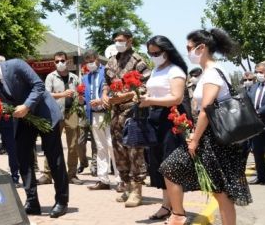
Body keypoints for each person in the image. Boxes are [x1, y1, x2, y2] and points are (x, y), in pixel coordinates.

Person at [160, 28, 252, 225]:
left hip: (215, 140)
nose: (188, 52)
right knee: (171, 168)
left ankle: (179, 215)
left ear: (202, 48)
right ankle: (178, 214)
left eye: (189, 47)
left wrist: (194, 139)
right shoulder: (208, 72)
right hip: (209, 138)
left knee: (221, 193)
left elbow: (206, 110)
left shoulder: (212, 74)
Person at [0, 56, 69, 218]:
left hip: (44, 114)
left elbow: (38, 86)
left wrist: (26, 106)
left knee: (54, 158)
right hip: (24, 120)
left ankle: (61, 201)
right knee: (23, 158)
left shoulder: (15, 66)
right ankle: (32, 202)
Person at [137, 36, 187, 221]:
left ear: (167, 50)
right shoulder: (157, 69)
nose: (153, 56)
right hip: (155, 118)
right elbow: (153, 92)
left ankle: (178, 212)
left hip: (171, 119)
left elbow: (177, 98)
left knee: (170, 166)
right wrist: (143, 97)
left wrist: (150, 100)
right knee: (159, 165)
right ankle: (167, 205)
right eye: (150, 53)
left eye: (156, 53)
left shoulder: (175, 71)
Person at [102, 29, 151, 207]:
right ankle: (127, 187)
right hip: (115, 114)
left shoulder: (138, 61)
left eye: (121, 40)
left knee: (134, 151)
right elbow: (106, 84)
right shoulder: (112, 61)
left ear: (130, 41)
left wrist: (124, 96)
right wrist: (104, 95)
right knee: (119, 151)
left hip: (132, 113)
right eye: (116, 40)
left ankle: (137, 190)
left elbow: (145, 87)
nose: (118, 43)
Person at [43, 51, 84, 185]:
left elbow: (80, 94)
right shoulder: (51, 77)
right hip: (55, 113)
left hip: (71, 112)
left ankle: (72, 174)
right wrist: (62, 94)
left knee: (73, 145)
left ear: (67, 61)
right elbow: (46, 95)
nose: (60, 63)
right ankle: (47, 175)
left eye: (62, 60)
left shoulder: (74, 77)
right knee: (52, 144)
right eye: (57, 61)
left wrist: (80, 98)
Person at [81, 49, 119, 191]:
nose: (90, 63)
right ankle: (103, 180)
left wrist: (102, 100)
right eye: (88, 61)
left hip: (108, 113)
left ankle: (120, 180)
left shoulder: (107, 72)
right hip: (94, 116)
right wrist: (81, 100)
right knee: (100, 147)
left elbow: (113, 90)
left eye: (92, 60)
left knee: (112, 146)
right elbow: (86, 97)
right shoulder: (86, 77)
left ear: (97, 59)